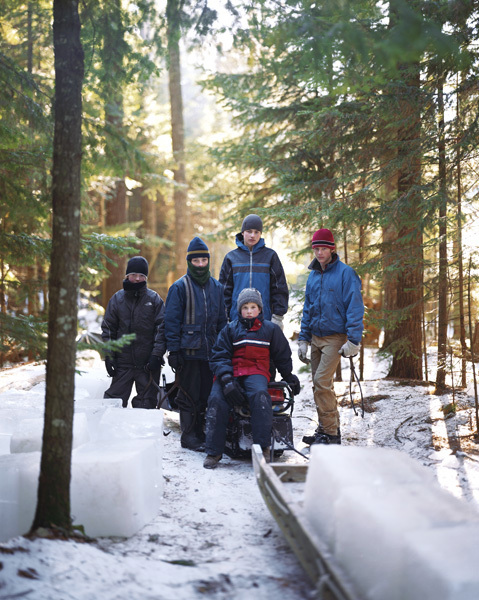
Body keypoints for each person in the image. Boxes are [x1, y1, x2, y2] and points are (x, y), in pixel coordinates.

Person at [203, 288, 301, 469]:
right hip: (230, 373)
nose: (249, 311)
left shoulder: (270, 330)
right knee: (217, 399)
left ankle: (263, 448)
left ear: (260, 309)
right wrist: (226, 380)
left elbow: (282, 355)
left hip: (256, 372)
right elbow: (219, 356)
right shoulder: (230, 329)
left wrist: (288, 376)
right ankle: (214, 451)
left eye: (253, 307)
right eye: (245, 307)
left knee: (260, 396)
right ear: (239, 310)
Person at [298, 228, 364, 445]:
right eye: (316, 248)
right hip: (315, 337)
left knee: (322, 382)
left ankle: (332, 435)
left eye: (323, 248)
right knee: (319, 386)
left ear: (332, 249)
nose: (319, 252)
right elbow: (308, 308)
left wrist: (353, 340)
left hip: (335, 337)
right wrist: (303, 339)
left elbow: (354, 307)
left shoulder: (346, 274)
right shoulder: (313, 275)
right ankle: (326, 429)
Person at [164, 237, 227, 451]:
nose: (200, 265)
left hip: (212, 353)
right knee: (189, 396)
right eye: (196, 261)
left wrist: (223, 349)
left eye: (203, 261)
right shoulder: (179, 288)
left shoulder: (217, 287)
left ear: (208, 262)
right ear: (189, 262)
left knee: (208, 395)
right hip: (188, 353)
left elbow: (222, 322)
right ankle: (189, 436)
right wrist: (173, 351)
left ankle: (204, 433)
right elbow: (170, 322)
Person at [102, 256, 166, 409]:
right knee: (112, 404)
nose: (137, 279)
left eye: (141, 276)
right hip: (122, 364)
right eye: (134, 275)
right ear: (127, 276)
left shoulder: (154, 299)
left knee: (146, 406)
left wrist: (156, 355)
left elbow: (162, 329)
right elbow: (108, 329)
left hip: (147, 365)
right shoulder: (117, 300)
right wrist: (109, 355)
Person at [219, 214, 289, 329]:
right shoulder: (231, 258)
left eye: (257, 232)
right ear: (242, 232)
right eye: (249, 231)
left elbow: (279, 288)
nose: (253, 235)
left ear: (260, 234)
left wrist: (278, 317)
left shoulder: (270, 256)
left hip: (265, 320)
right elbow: (224, 290)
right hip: (236, 320)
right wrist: (225, 317)